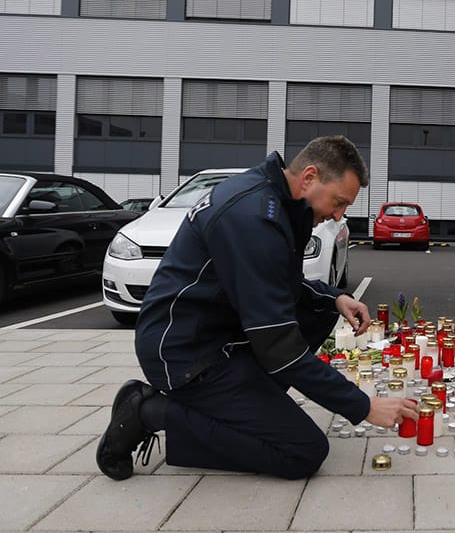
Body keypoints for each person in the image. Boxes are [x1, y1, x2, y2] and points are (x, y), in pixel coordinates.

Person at [96, 136, 418, 480]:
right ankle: (148, 411)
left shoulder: (275, 202)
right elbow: (279, 345)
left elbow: (281, 286)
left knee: (321, 309)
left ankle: (248, 403)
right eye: (339, 202)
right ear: (309, 178)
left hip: (216, 335)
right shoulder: (252, 216)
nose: (337, 216)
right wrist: (363, 406)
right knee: (303, 451)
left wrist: (334, 298)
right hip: (184, 355)